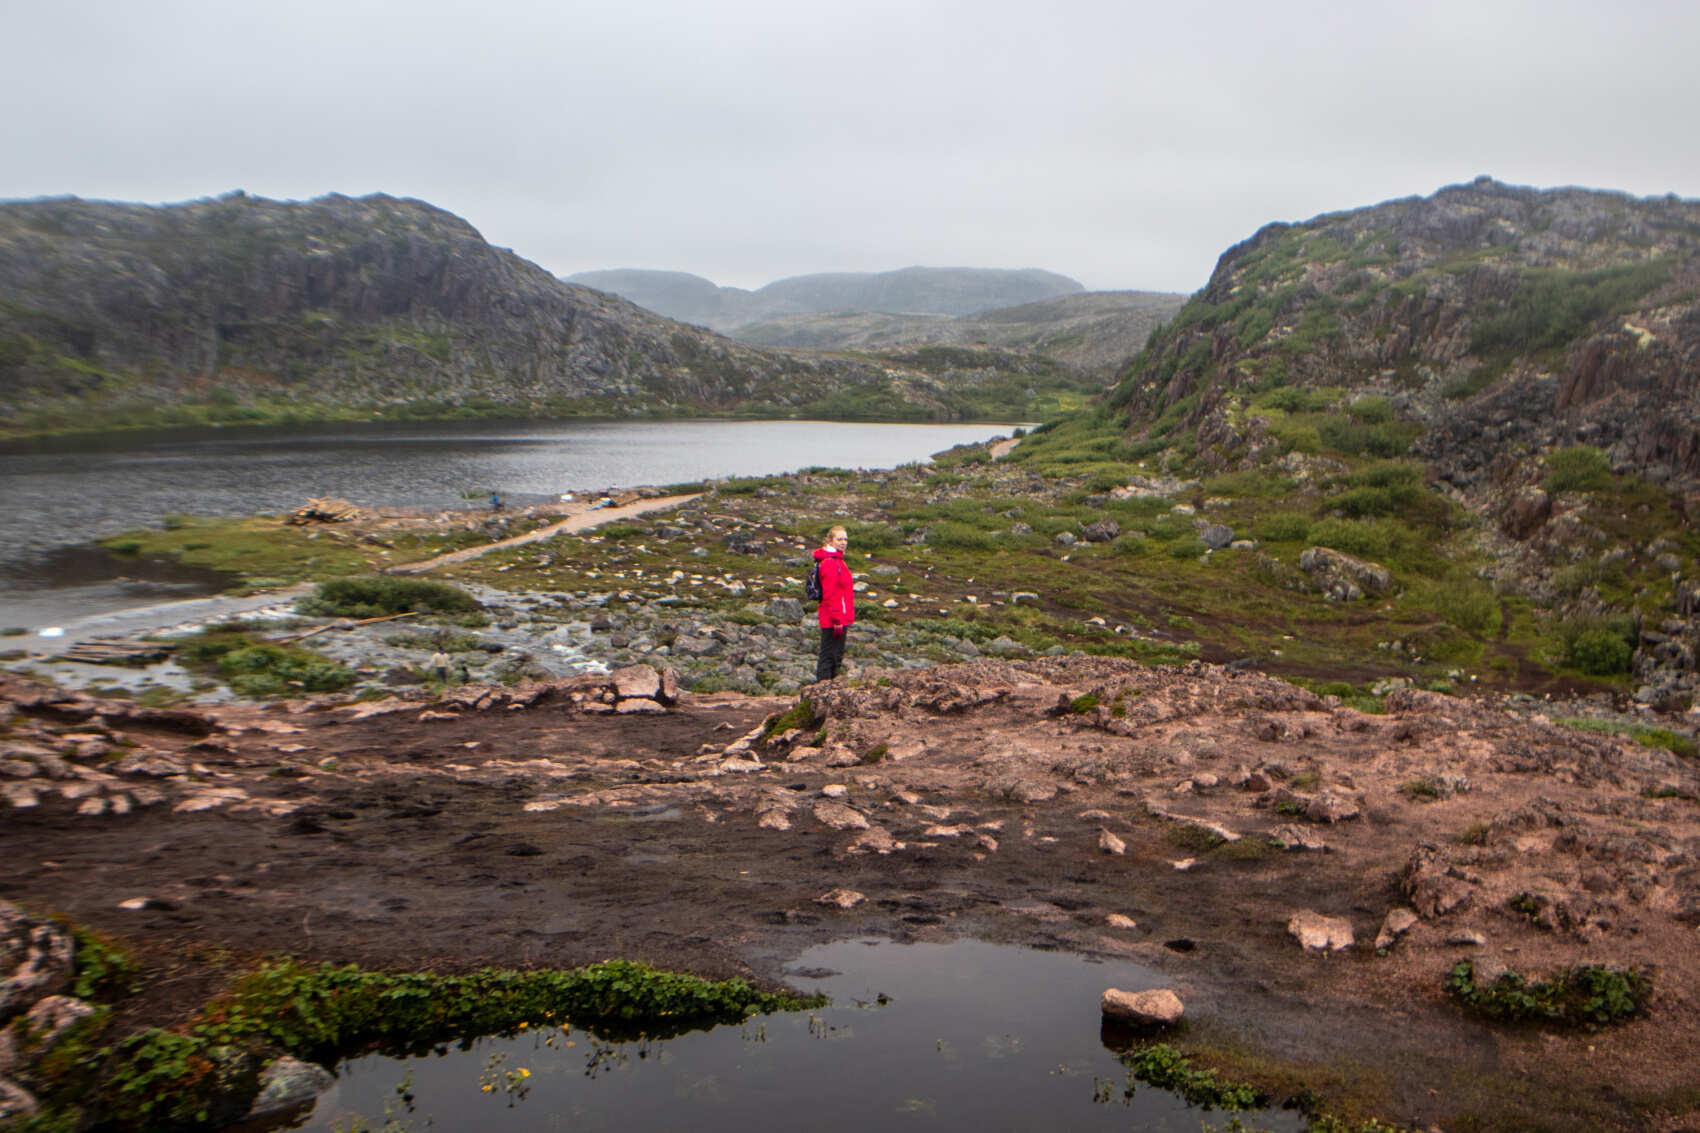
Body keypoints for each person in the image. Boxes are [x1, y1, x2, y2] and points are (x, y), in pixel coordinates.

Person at [813, 524, 855, 681]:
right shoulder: (830, 563)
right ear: (830, 541)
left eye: (845, 539)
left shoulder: (838, 561)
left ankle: (831, 690)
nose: (843, 542)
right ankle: (822, 691)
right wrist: (837, 619)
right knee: (829, 656)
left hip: (840, 617)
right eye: (839, 539)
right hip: (833, 618)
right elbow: (830, 594)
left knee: (835, 656)